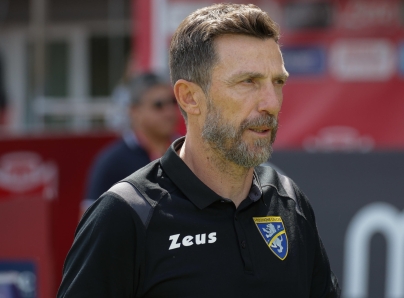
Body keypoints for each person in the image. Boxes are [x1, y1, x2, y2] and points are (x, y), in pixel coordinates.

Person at [58, 3, 340, 297]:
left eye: (277, 82)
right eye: (248, 82)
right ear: (190, 98)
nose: (271, 102)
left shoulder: (288, 200)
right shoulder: (126, 215)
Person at [81, 73, 179, 212]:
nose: (169, 112)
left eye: (173, 102)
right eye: (158, 105)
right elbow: (89, 224)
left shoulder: (187, 153)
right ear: (134, 111)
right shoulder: (113, 162)